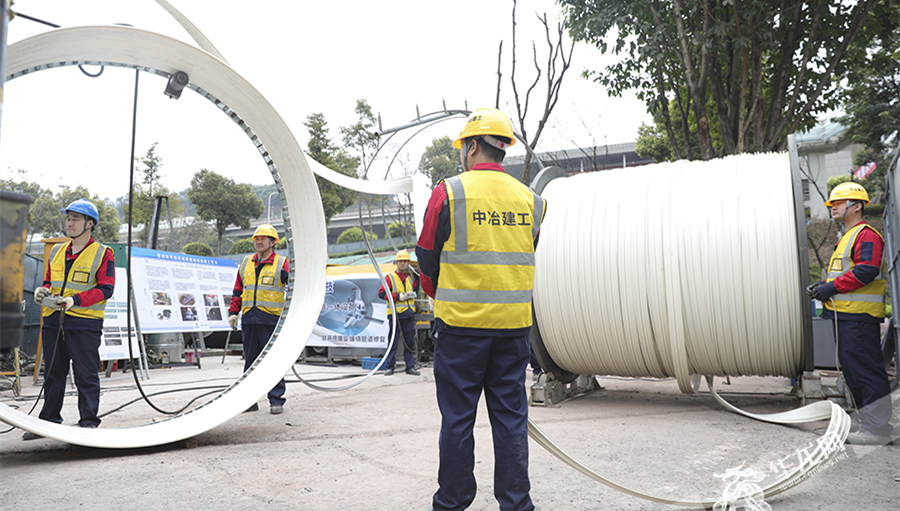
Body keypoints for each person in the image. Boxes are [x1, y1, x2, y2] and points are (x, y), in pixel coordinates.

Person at [416, 108, 546, 511]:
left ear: (472, 146)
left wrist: (446, 291)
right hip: (513, 330)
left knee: (458, 420)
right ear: (502, 148)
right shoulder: (532, 200)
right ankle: (516, 504)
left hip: (460, 330)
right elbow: (527, 252)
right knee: (510, 419)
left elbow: (426, 257)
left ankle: (453, 503)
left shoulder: (449, 192)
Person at [809, 182, 893, 445]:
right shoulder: (848, 236)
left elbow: (866, 270)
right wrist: (825, 287)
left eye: (838, 202)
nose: (832, 206)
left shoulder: (865, 234)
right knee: (853, 370)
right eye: (832, 203)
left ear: (856, 206)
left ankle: (877, 430)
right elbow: (847, 272)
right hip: (846, 315)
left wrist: (831, 287)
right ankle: (867, 421)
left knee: (865, 370)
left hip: (859, 317)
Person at [24, 199, 115, 440]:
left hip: (84, 323)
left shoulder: (103, 253)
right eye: (68, 218)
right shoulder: (57, 251)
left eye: (75, 218)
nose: (69, 222)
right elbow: (48, 281)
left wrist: (76, 299)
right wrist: (42, 291)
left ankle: (88, 423)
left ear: (90, 223)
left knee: (85, 374)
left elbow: (106, 289)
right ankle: (49, 420)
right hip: (54, 320)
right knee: (53, 373)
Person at [228, 224, 290, 414]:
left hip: (271, 319)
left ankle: (276, 399)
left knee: (273, 360)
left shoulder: (282, 263)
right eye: (256, 238)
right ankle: (249, 400)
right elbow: (238, 290)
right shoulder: (246, 262)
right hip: (249, 319)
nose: (259, 241)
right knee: (251, 361)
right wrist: (233, 312)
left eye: (263, 238)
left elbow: (296, 286)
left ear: (272, 242)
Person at [377, 250, 421, 376]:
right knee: (393, 341)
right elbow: (381, 294)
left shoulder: (408, 279)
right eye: (400, 261)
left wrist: (417, 279)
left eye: (405, 261)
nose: (403, 263)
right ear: (396, 262)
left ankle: (410, 366)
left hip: (408, 314)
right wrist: (397, 297)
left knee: (409, 342)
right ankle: (390, 366)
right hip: (396, 315)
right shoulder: (390, 277)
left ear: (408, 263)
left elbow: (413, 293)